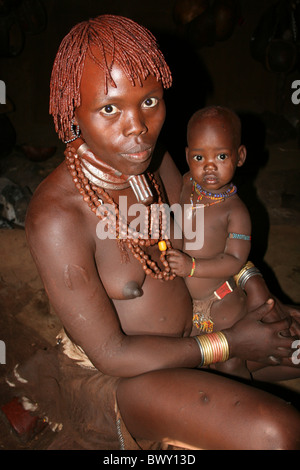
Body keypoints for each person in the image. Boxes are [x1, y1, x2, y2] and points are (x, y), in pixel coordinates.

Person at [5, 15, 300, 450]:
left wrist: (259, 295)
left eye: (150, 101)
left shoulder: (155, 163)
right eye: (110, 108)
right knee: (276, 434)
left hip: (205, 325)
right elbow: (113, 353)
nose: (137, 127)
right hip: (127, 379)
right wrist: (231, 343)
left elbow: (210, 242)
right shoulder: (57, 218)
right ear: (72, 113)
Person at [167, 106, 251, 378]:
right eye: (199, 157)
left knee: (229, 362)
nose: (209, 166)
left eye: (222, 156)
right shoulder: (187, 182)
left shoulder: (235, 211)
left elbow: (235, 260)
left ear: (240, 156)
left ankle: (244, 405)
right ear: (187, 156)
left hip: (219, 304)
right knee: (191, 359)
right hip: (186, 304)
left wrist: (191, 267)